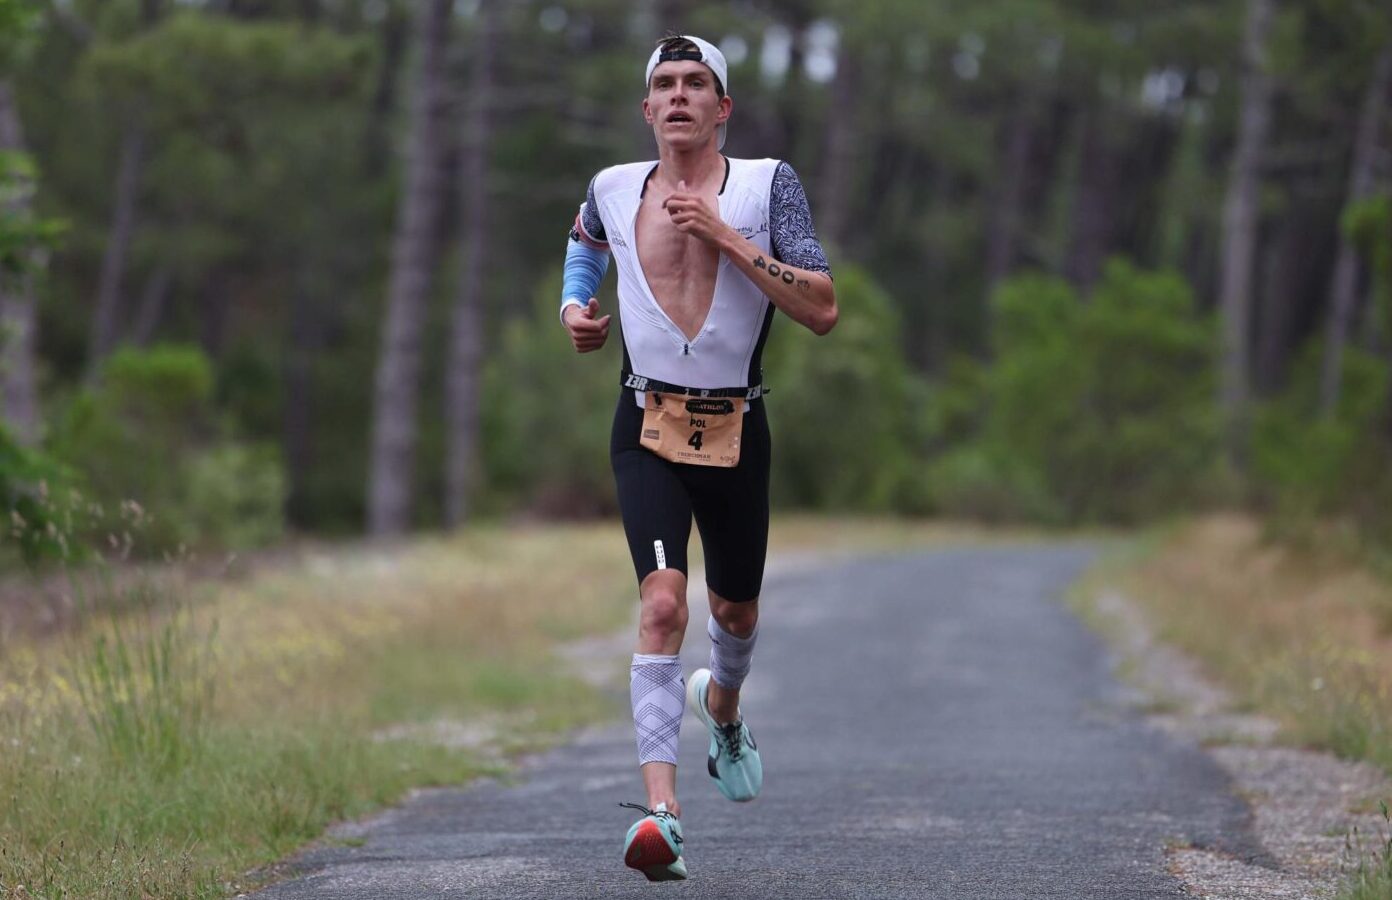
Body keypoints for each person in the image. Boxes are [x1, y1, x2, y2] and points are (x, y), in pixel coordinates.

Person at [560, 33, 837, 881]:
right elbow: (583, 243)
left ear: (723, 107)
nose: (679, 96)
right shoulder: (611, 188)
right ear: (647, 108)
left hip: (735, 427)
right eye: (665, 85)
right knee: (662, 604)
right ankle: (662, 816)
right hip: (644, 420)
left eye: (697, 84)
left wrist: (723, 235)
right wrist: (575, 305)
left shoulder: (765, 186)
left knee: (737, 616)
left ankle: (722, 709)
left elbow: (822, 307)